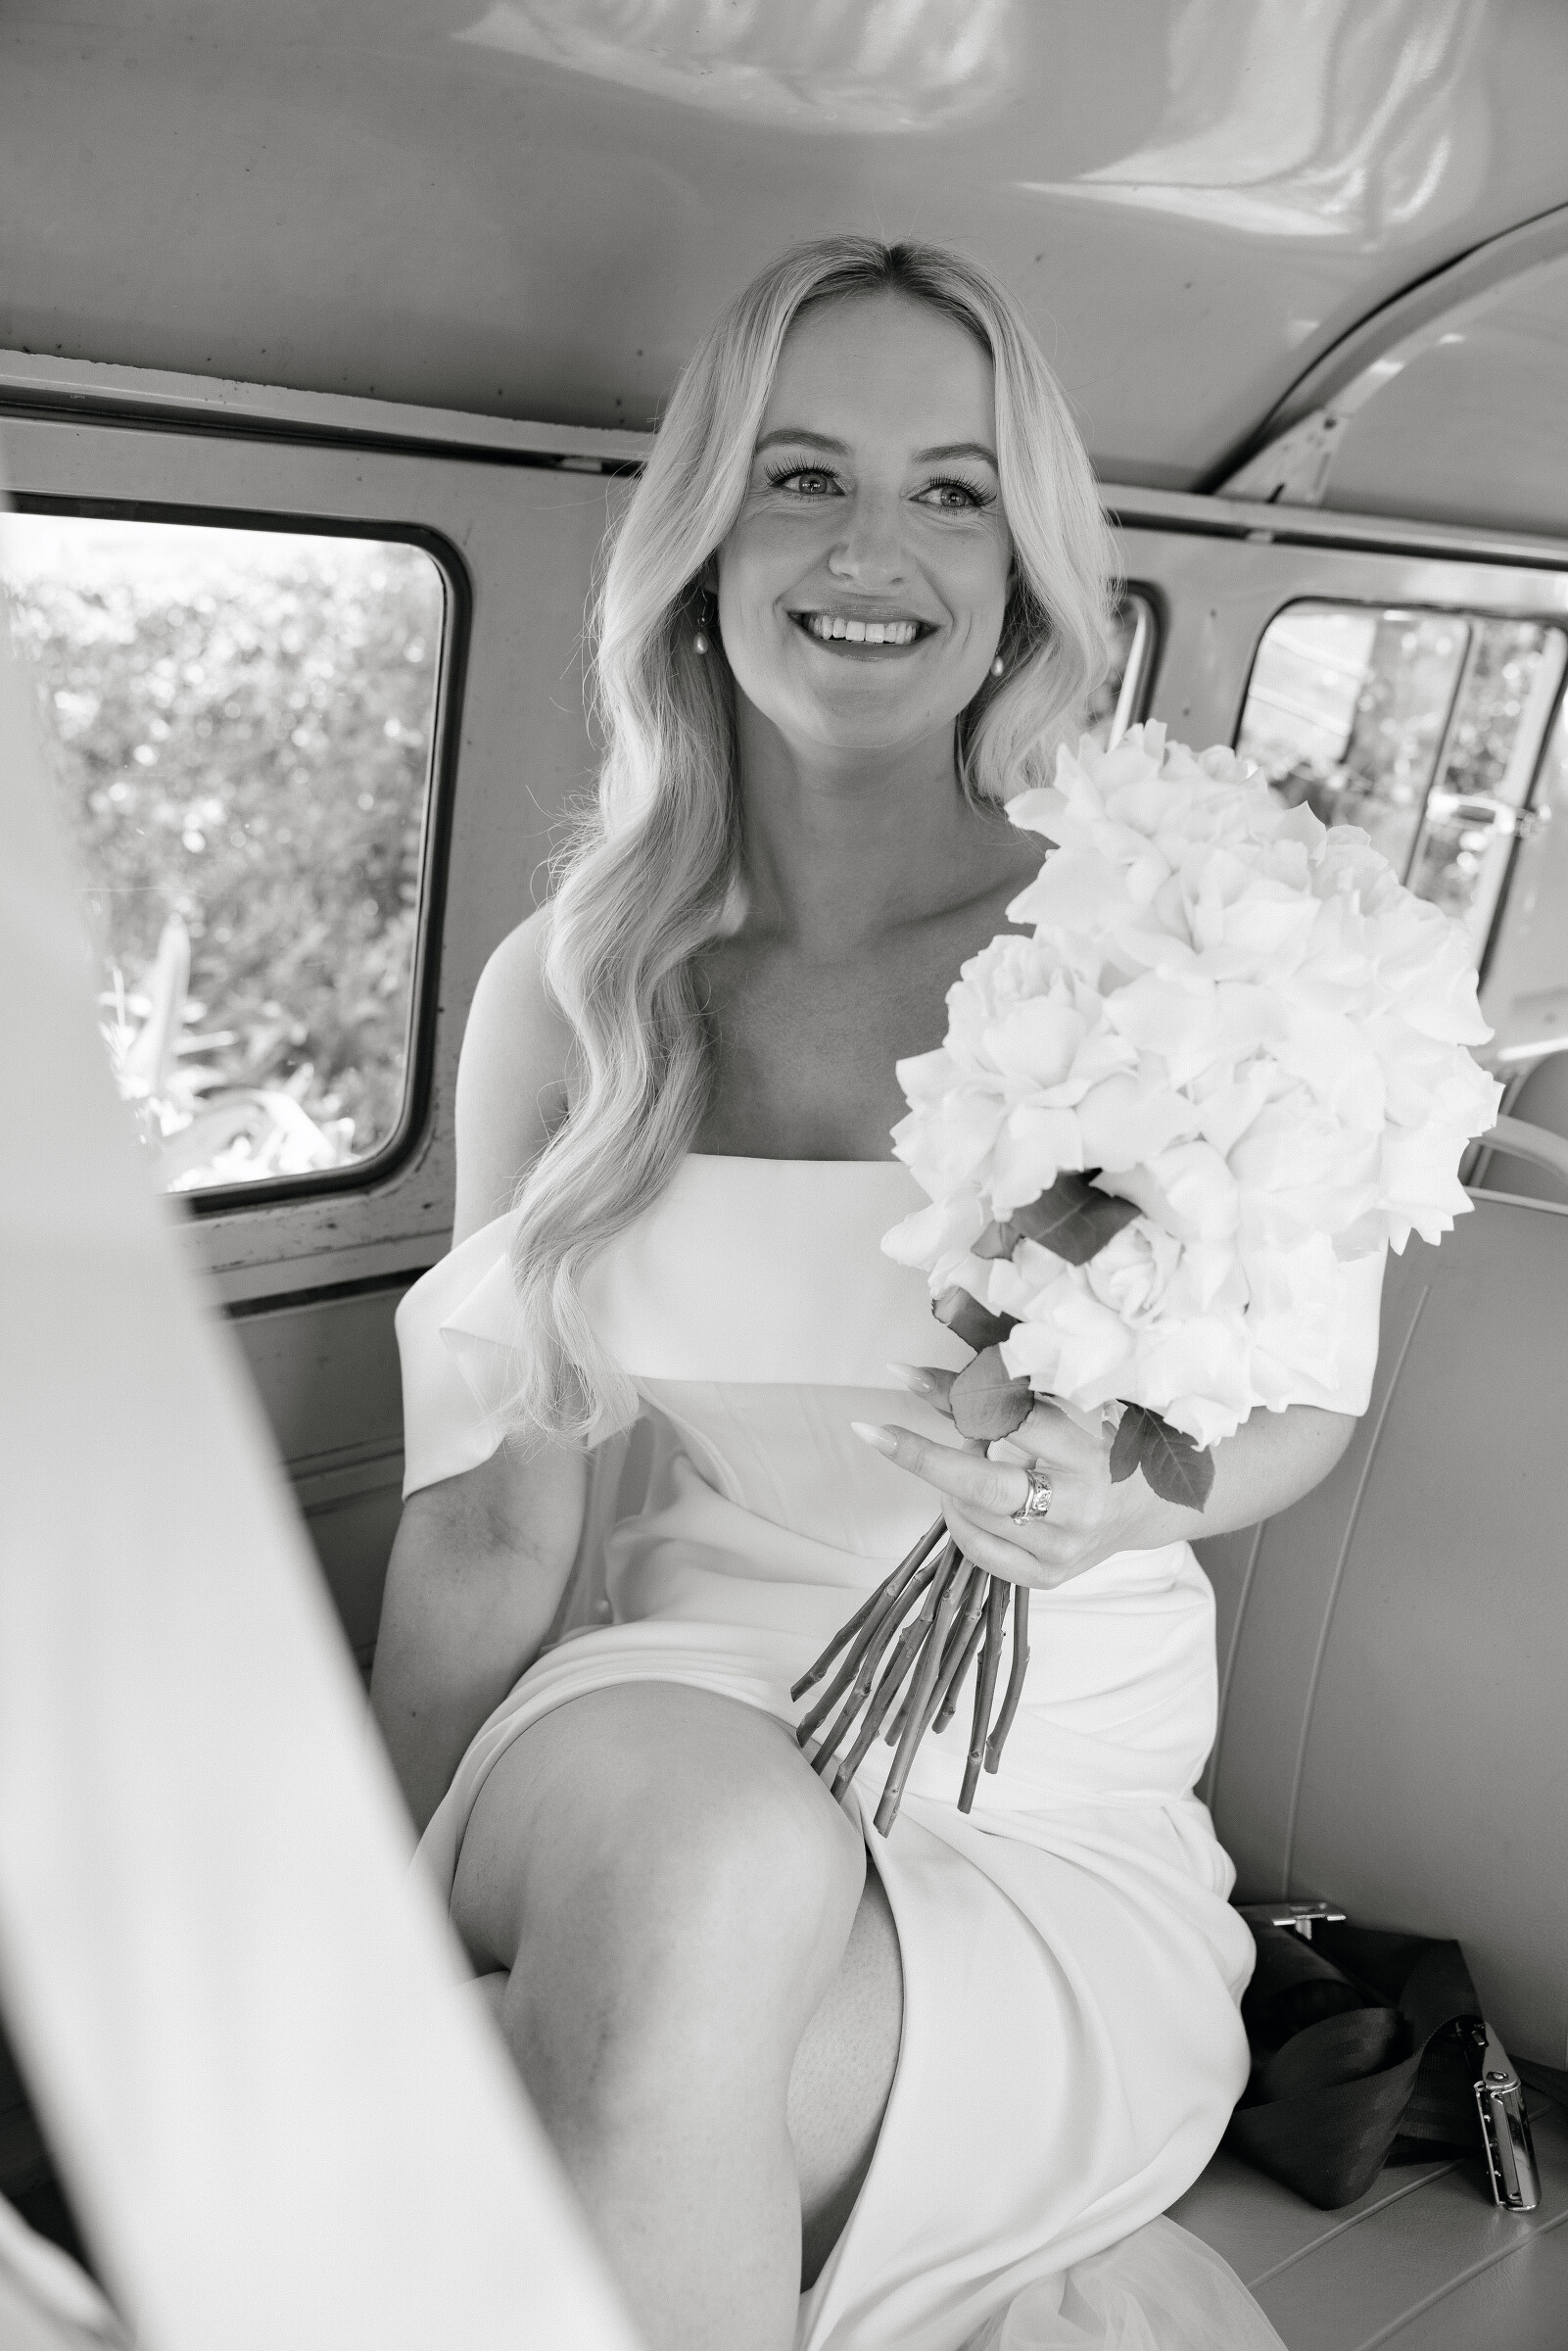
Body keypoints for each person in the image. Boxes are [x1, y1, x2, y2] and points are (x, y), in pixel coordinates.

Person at [371, 238, 1369, 2351]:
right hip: (658, 1726)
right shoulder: (570, 986)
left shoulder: (1176, 948)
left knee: (603, 2096)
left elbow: (1305, 1403)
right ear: (702, 538)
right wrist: (352, 1920)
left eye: (950, 493)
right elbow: (488, 1529)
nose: (868, 550)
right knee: (705, 1871)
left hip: (1052, 1807)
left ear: (1022, 572)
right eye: (802, 475)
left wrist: (1116, 1500)